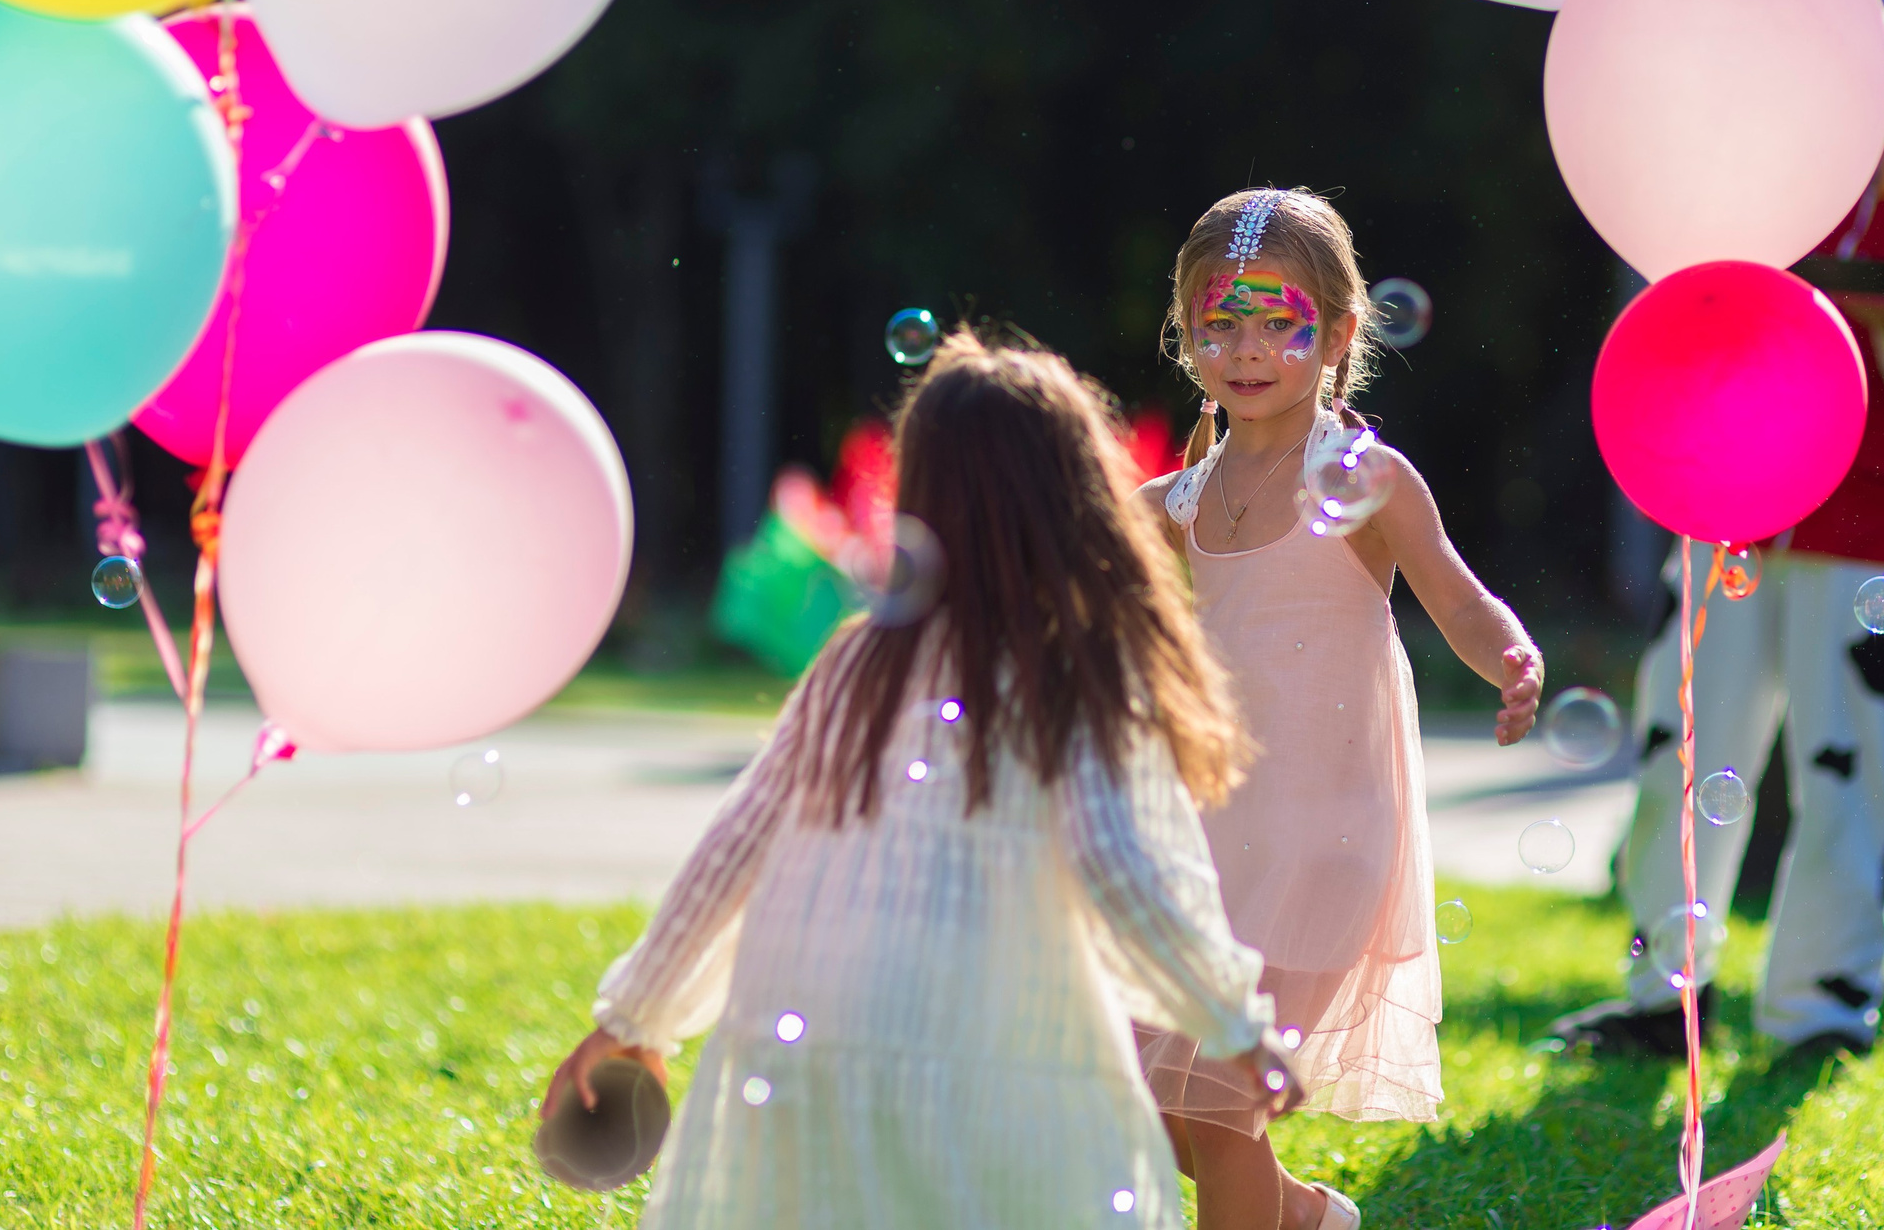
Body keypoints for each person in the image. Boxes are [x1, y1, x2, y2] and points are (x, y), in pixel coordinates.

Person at [545, 330, 1301, 1229]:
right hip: (998, 1044)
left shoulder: (861, 658)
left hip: (810, 1034)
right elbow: (1126, 872)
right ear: (1080, 497)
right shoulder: (1077, 673)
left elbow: (733, 851)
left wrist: (637, 1019)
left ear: (921, 497)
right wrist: (1234, 1025)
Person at [1553, 0, 1884, 1062]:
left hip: (1879, 528)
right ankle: (1659, 988)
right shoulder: (1752, 185)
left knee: (1852, 766)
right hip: (1732, 505)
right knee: (1684, 742)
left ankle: (1822, 1006)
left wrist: (1870, 308)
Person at [1136, 187, 1545, 1230]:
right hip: (1217, 842)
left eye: (1280, 322)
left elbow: (1455, 592)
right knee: (1162, 1103)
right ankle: (1312, 1219)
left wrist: (1509, 654)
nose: (1247, 348)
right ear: (1185, 335)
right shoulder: (1179, 500)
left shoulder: (1360, 477)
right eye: (1218, 322)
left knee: (1220, 1107)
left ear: (1341, 334)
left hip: (1326, 839)